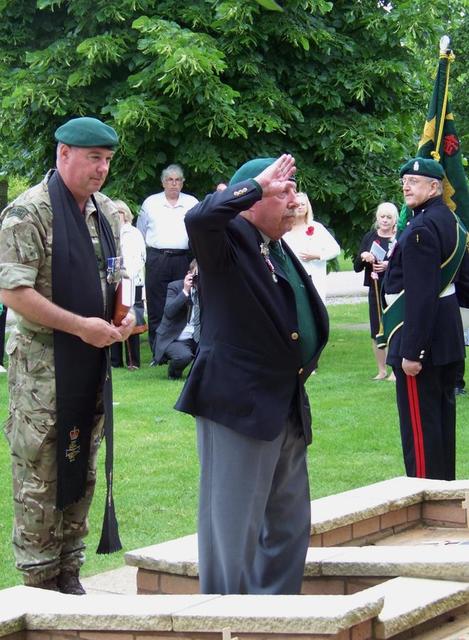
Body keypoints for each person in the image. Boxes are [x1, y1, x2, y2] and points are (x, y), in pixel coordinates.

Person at [175, 155, 329, 595]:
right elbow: (200, 218)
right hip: (238, 406)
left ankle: (275, 620)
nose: (295, 202)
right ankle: (226, 622)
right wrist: (253, 187)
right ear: (250, 200)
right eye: (283, 192)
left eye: (294, 190)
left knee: (289, 526)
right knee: (233, 531)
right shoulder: (225, 241)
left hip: (284, 403)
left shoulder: (277, 248)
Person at [0, 116, 135, 594]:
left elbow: (114, 277)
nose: (101, 170)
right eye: (93, 158)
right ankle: (38, 580)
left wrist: (122, 315)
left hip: (88, 365)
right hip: (42, 372)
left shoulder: (104, 213)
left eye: (107, 161)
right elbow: (14, 292)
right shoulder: (28, 213)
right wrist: (81, 327)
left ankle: (70, 570)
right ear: (63, 154)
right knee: (40, 470)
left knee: (83, 461)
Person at [382, 158, 467, 481]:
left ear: (435, 187)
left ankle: (425, 500)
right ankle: (444, 495)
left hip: (421, 342)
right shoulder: (453, 221)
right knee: (441, 425)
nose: (406, 185)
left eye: (414, 181)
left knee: (421, 432)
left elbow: (420, 296)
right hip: (447, 339)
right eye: (404, 180)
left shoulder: (420, 228)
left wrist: (412, 351)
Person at [137, 164, 198, 358]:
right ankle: (158, 351)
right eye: (170, 180)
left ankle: (179, 347)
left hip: (183, 259)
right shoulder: (151, 203)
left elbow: (198, 232)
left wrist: (196, 259)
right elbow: (141, 232)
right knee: (156, 305)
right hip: (158, 258)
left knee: (182, 301)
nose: (173, 184)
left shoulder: (191, 203)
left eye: (177, 180)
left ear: (182, 183)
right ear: (163, 182)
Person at [354, 202, 398, 380]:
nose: (385, 220)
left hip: (395, 288)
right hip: (375, 289)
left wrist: (389, 264)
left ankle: (395, 370)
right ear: (377, 218)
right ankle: (381, 370)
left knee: (395, 327)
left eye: (389, 217)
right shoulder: (370, 237)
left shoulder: (400, 237)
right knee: (376, 329)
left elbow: (407, 263)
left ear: (395, 219)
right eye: (382, 217)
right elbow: (357, 266)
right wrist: (365, 257)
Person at [283, 192, 340, 302]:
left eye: (303, 204)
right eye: (297, 205)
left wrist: (317, 255)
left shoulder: (316, 228)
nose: (300, 207)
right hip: (292, 277)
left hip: (313, 276)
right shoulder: (284, 229)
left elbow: (335, 249)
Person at [111, 199, 146, 370]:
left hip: (132, 281)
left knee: (131, 319)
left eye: (120, 212)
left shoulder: (133, 233)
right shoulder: (109, 232)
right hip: (115, 282)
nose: (117, 215)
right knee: (114, 317)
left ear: (125, 214)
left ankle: (133, 362)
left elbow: (140, 258)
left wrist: (127, 276)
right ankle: (115, 361)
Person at [153, 260, 200, 379]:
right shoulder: (175, 287)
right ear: (189, 274)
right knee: (184, 356)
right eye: (197, 275)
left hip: (197, 338)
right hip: (174, 338)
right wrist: (185, 291)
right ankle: (173, 373)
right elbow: (169, 312)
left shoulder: (207, 290)